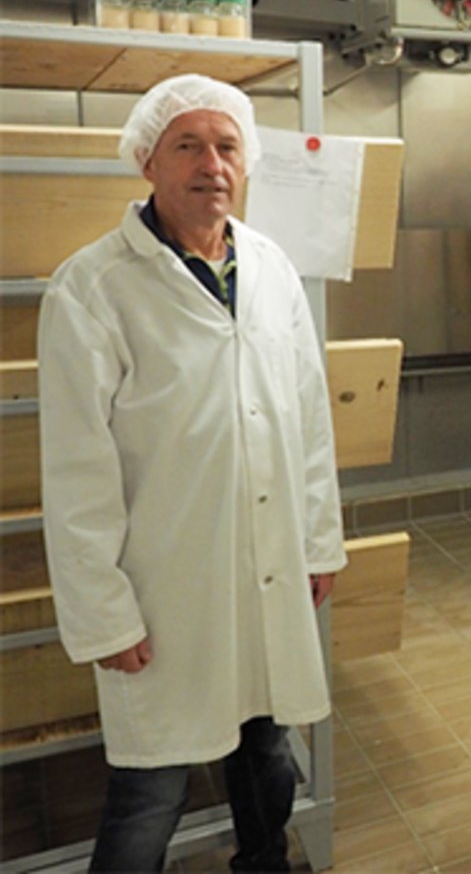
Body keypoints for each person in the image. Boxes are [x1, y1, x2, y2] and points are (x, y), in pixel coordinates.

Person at [38, 74, 346, 873]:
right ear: (148, 161)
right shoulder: (94, 286)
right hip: (165, 587)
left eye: (227, 147)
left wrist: (318, 542)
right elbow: (76, 470)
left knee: (267, 752)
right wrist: (105, 613)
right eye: (188, 146)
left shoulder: (270, 267)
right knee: (152, 789)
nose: (213, 164)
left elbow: (308, 417)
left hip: (267, 562)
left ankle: (263, 864)